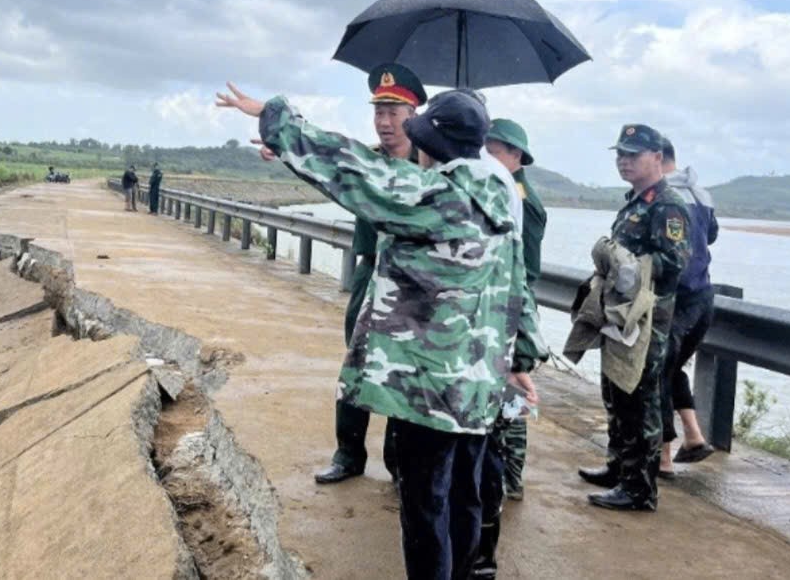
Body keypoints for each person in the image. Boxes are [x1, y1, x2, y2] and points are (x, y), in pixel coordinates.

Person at [217, 82, 544, 580]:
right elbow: (517, 284)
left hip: (429, 387)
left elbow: (353, 170)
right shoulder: (500, 199)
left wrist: (276, 117)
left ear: (432, 143)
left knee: (425, 509)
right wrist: (521, 359)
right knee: (464, 498)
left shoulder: (440, 197)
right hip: (479, 386)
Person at [314, 62, 426, 485]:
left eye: (393, 112)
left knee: (404, 372)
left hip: (411, 283)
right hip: (369, 271)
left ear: (414, 114)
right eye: (378, 112)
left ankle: (399, 465)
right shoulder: (367, 160)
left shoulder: (432, 164)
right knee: (356, 364)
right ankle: (348, 454)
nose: (383, 122)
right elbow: (328, 171)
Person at [578, 124, 691, 511]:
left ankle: (641, 488)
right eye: (620, 154)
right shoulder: (635, 201)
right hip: (620, 313)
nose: (623, 161)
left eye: (632, 154)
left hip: (647, 320)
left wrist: (629, 265)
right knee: (615, 391)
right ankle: (619, 467)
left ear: (657, 158)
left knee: (640, 399)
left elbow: (675, 261)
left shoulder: (667, 205)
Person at [471, 118, 547, 579]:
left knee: (514, 404)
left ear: (517, 157)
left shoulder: (521, 200)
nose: (490, 156)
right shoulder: (498, 187)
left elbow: (525, 264)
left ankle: (512, 476)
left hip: (515, 301)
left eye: (497, 149)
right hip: (504, 299)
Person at [659, 137, 717, 473]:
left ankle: (663, 459)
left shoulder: (663, 195)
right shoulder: (701, 192)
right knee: (672, 367)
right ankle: (694, 437)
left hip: (677, 300)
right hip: (704, 296)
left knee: (657, 372)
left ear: (657, 158)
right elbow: (711, 236)